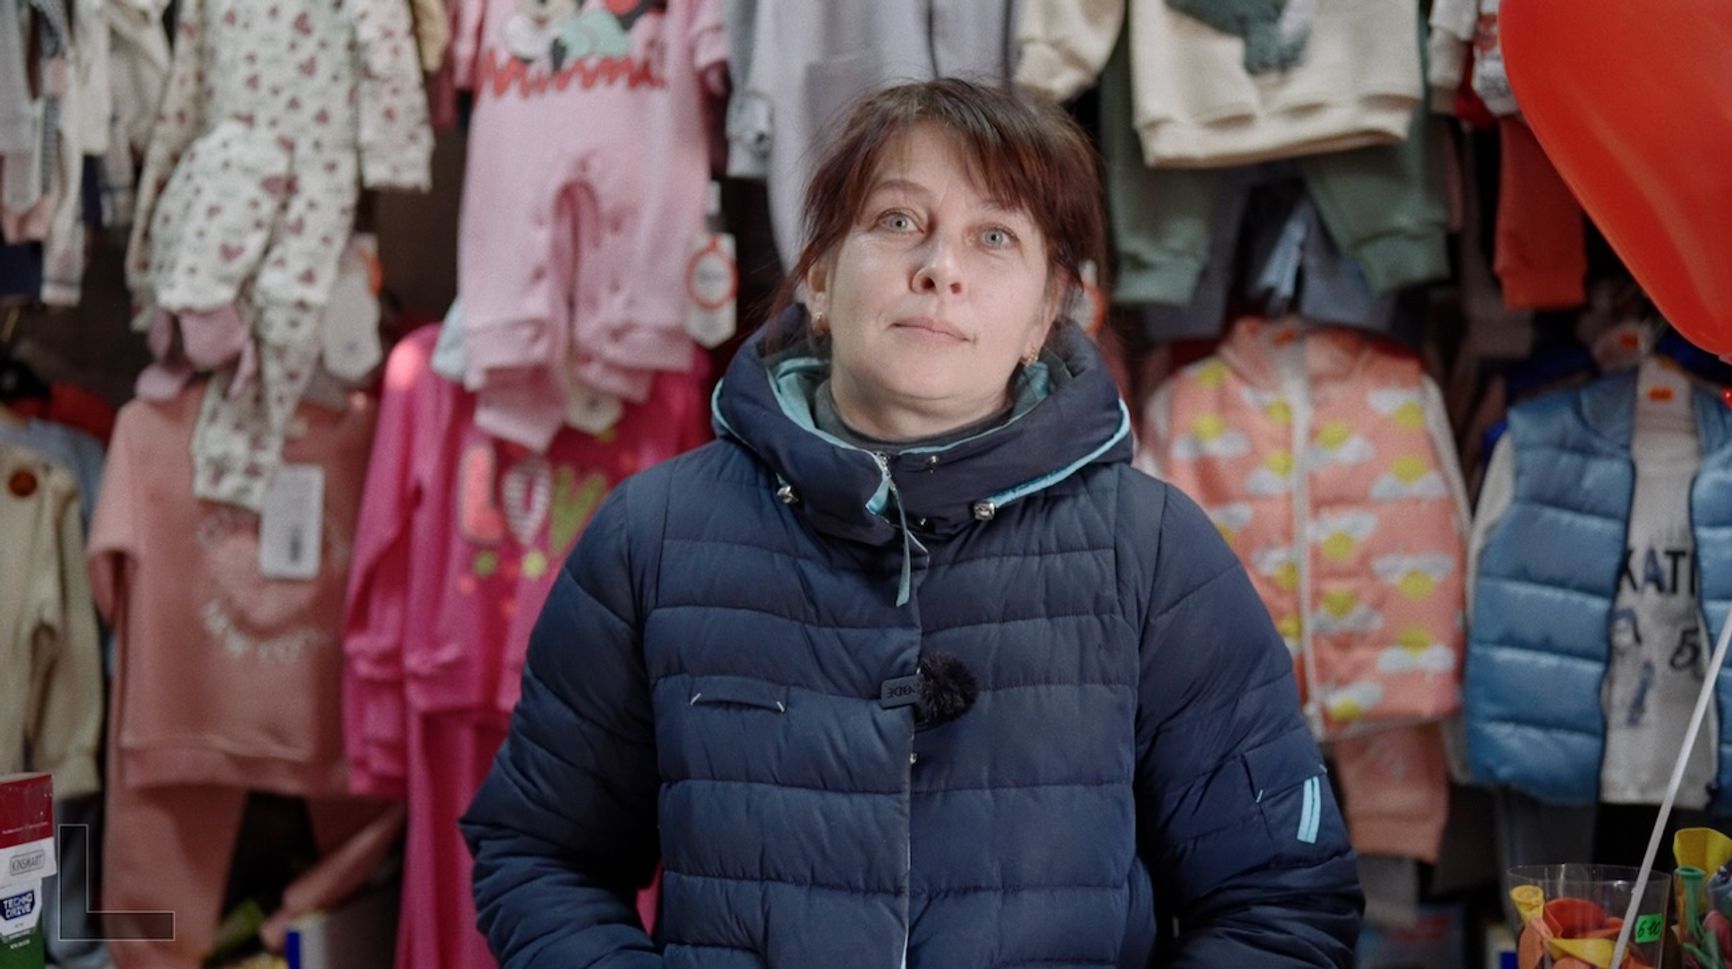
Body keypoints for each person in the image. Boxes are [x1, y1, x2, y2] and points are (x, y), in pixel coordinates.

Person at [461, 78, 1363, 968]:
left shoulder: (1156, 556)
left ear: (1045, 312)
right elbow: (540, 853)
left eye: (995, 236)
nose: (941, 268)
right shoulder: (653, 538)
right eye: (898, 221)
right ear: (820, 276)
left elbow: (1281, 899)